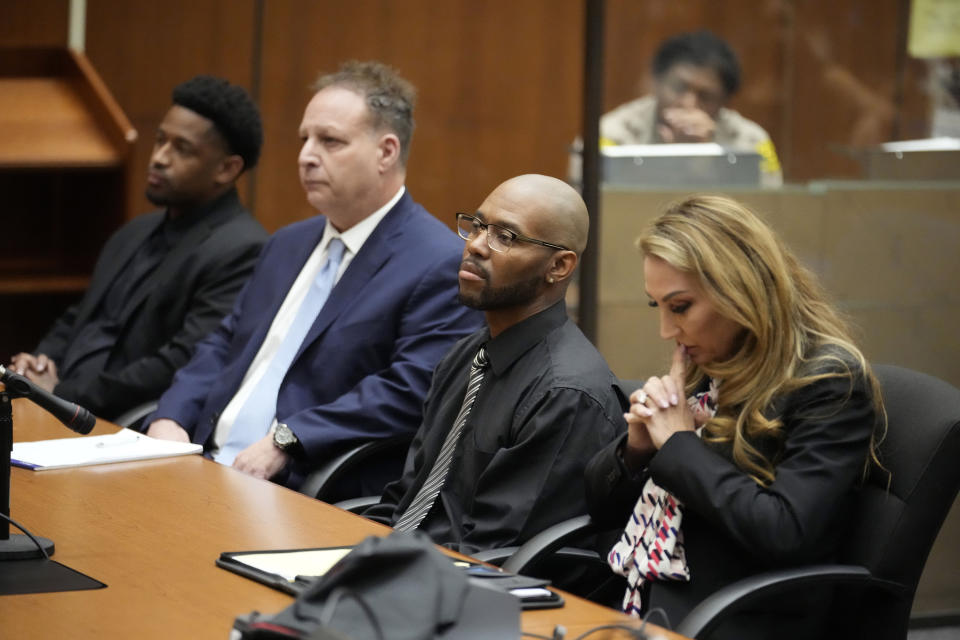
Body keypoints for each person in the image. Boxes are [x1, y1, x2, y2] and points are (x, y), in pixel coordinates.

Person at [144, 61, 481, 496]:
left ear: (386, 152)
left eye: (330, 141)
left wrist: (291, 438)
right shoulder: (287, 244)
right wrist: (171, 417)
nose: (306, 156)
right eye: (305, 139)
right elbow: (225, 342)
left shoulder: (437, 263)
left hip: (300, 485)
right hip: (201, 465)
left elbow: (410, 390)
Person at [585, 195, 884, 639]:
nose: (666, 331)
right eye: (658, 307)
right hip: (647, 599)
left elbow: (785, 532)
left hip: (737, 616)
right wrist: (637, 449)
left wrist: (679, 445)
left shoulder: (828, 381)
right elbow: (598, 504)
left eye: (680, 306)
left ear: (739, 290)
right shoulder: (715, 361)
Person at [364, 174, 625, 555]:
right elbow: (407, 497)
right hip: (405, 559)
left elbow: (496, 552)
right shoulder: (466, 355)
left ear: (559, 266)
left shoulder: (566, 394)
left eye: (505, 237)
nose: (475, 245)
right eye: (477, 225)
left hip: (470, 590)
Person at [8, 76, 268, 421]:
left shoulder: (242, 250)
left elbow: (179, 363)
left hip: (120, 423)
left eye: (182, 149)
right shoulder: (134, 232)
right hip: (57, 406)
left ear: (227, 168)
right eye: (160, 140)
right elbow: (80, 318)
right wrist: (38, 365)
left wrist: (60, 395)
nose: (159, 157)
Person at [572, 30, 782, 187]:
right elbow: (584, 206)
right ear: (655, 82)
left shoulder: (753, 142)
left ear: (725, 101)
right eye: (678, 88)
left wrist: (705, 157)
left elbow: (770, 208)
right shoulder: (609, 134)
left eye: (706, 96)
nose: (688, 104)